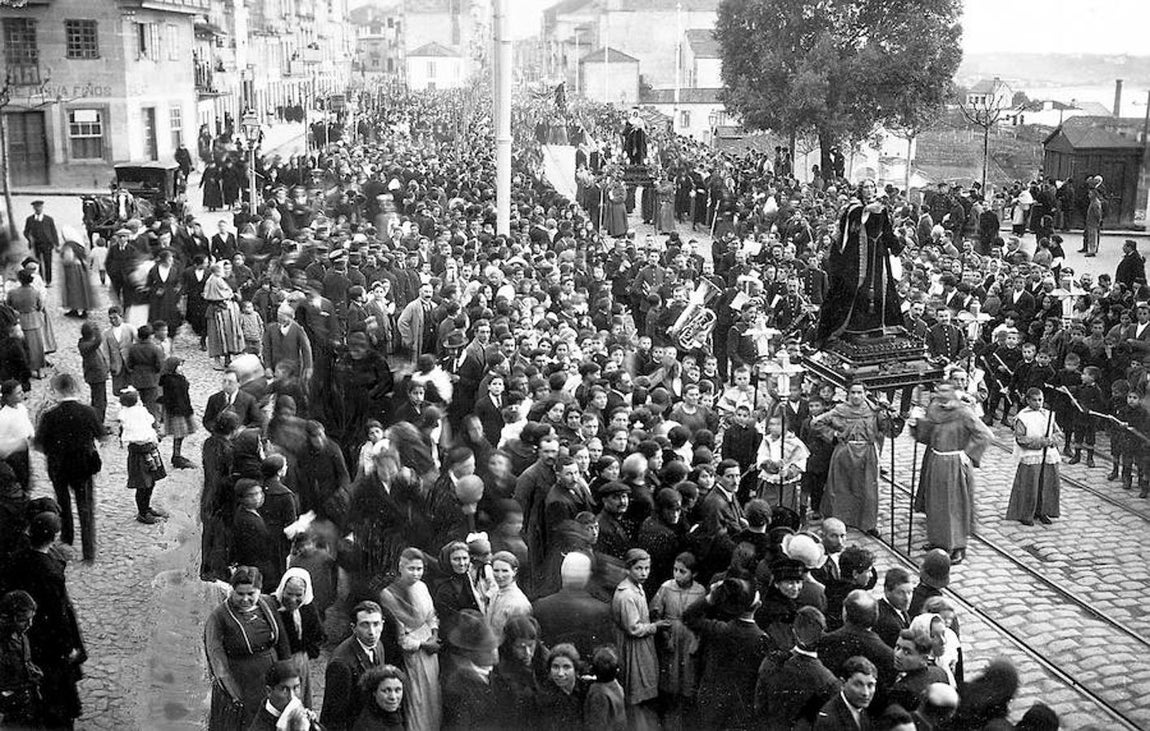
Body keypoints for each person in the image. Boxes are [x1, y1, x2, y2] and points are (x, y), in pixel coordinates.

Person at [1, 512, 86, 729]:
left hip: (29, 634)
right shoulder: (51, 572)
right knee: (57, 692)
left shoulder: (18, 559)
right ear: (54, 536)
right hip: (50, 640)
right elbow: (60, 615)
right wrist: (69, 647)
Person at [909, 382, 993, 564]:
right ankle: (938, 541)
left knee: (954, 505)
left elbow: (985, 434)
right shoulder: (934, 409)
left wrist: (968, 453)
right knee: (935, 503)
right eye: (938, 390)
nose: (940, 393)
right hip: (936, 460)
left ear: (954, 393)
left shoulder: (964, 412)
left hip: (954, 463)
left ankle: (958, 546)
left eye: (945, 390)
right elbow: (928, 435)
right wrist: (917, 424)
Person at [815, 179, 905, 343]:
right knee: (857, 288)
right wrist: (866, 210)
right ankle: (856, 328)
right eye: (866, 187)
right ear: (860, 190)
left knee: (879, 288)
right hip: (857, 257)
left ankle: (876, 327)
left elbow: (887, 231)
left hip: (877, 256)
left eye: (872, 187)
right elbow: (848, 224)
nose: (869, 190)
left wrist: (897, 247)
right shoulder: (854, 208)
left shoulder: (881, 209)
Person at [203, 566, 290, 729]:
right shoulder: (219, 617)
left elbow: (282, 642)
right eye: (240, 593)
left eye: (251, 594)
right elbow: (217, 660)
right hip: (242, 681)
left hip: (270, 677)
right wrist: (235, 694)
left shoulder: (268, 604)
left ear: (259, 590)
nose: (245, 599)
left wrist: (288, 675)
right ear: (232, 590)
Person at [812, 382, 903, 537]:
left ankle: (867, 523)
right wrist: (833, 435)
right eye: (853, 392)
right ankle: (839, 522)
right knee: (841, 487)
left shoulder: (874, 411)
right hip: (845, 453)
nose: (856, 396)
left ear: (865, 393)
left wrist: (892, 416)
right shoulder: (840, 410)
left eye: (859, 392)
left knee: (867, 488)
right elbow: (816, 423)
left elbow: (888, 430)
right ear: (848, 394)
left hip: (867, 452)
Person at [33, 374, 103, 562]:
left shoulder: (49, 415)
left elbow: (38, 444)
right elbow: (101, 435)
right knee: (85, 507)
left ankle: (67, 541)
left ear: (56, 391)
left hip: (59, 467)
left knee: (63, 504)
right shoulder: (88, 412)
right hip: (83, 466)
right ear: (74, 388)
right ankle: (88, 552)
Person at [378, 548, 442, 731]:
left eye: (419, 569)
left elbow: (431, 615)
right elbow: (399, 636)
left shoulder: (422, 587)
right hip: (413, 652)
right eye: (411, 569)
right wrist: (423, 644)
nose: (416, 573)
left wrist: (434, 635)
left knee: (432, 694)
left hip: (430, 646)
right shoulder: (390, 594)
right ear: (401, 567)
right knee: (417, 696)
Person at [321, 600, 392, 731]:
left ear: (382, 624)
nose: (372, 632)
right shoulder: (341, 664)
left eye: (376, 624)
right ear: (353, 628)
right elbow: (335, 717)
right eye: (365, 625)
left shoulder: (378, 645)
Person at [1006, 387, 1062, 526]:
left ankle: (1042, 511)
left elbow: (1057, 432)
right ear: (1028, 401)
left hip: (1048, 454)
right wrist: (1041, 442)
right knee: (1030, 484)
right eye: (1035, 400)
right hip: (1031, 455)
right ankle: (1025, 513)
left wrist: (1052, 440)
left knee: (1046, 483)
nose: (1038, 403)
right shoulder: (1022, 417)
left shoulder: (1048, 415)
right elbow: (1021, 439)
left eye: (1040, 400)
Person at [270, 567, 325, 708]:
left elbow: (318, 634)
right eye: (289, 593)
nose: (293, 599)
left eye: (298, 595)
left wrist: (307, 650)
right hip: (278, 661)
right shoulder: (272, 605)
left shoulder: (308, 607)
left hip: (300, 660)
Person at [442, 609, 500, 731]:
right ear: (471, 653)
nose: (495, 653)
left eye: (495, 647)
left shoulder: (497, 672)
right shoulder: (458, 686)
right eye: (487, 649)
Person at [118, 386, 168, 524]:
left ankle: (146, 507)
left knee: (150, 482)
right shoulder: (128, 414)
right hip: (140, 453)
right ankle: (142, 512)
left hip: (149, 450)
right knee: (143, 484)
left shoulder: (139, 412)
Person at [0, 589, 43, 727]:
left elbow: (25, 662)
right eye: (23, 620)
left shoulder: (22, 637)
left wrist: (32, 670)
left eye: (31, 618)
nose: (29, 624)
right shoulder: (3, 645)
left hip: (26, 706)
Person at [246, 659, 318, 731]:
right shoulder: (259, 727)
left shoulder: (301, 717)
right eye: (284, 690)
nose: (292, 697)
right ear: (269, 691)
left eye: (296, 688)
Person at [814, 655, 878, 730]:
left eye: (870, 685)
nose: (866, 693)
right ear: (843, 683)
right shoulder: (828, 720)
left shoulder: (861, 710)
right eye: (858, 685)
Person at [6, 270, 47, 379]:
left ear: (20, 279)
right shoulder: (35, 292)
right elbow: (40, 306)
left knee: (20, 347)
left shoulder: (12, 292)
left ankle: (23, 370)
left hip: (18, 320)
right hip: (33, 320)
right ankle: (38, 371)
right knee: (36, 347)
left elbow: (8, 305)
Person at [538, 643, 587, 731]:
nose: (560, 673)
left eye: (566, 667)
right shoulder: (544, 697)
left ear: (575, 669)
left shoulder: (586, 690)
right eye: (555, 667)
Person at [353, 665, 408, 731]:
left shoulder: (394, 717)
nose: (393, 697)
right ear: (374, 692)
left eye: (397, 690)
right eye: (386, 691)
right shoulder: (367, 725)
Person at [22, 201, 59, 286]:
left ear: (42, 208)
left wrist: (56, 244)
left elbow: (54, 232)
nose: (38, 209)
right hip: (36, 245)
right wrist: (30, 239)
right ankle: (41, 280)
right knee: (37, 262)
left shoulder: (48, 219)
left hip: (47, 244)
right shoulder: (30, 219)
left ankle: (48, 281)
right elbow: (26, 232)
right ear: (34, 208)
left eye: (39, 207)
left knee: (48, 262)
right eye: (36, 207)